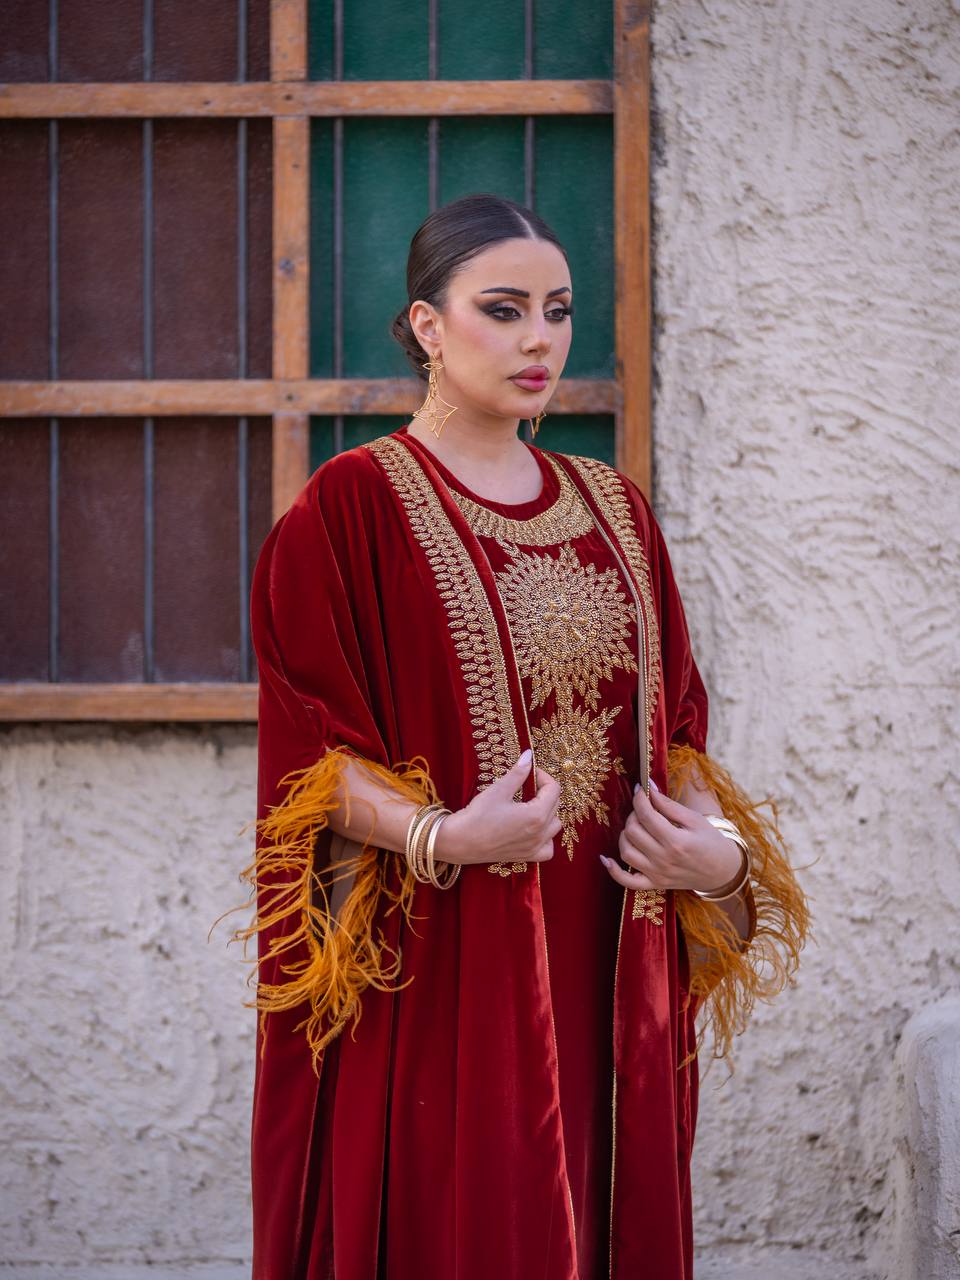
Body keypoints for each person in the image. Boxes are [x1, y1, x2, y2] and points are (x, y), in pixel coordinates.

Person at [230, 192, 809, 1280]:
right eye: (503, 309)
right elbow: (313, 753)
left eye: (559, 310)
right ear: (428, 325)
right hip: (441, 962)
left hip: (614, 947)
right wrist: (443, 837)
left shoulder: (616, 509)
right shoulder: (350, 508)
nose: (539, 338)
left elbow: (676, 734)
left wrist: (717, 856)